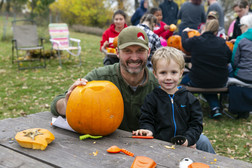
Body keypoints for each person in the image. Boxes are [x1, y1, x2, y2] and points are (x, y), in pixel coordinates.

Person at [51, 26, 159, 132]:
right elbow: (56, 104)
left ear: (148, 52)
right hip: (104, 145)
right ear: (117, 52)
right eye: (127, 51)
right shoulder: (100, 78)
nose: (134, 57)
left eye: (140, 51)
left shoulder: (158, 83)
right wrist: (67, 104)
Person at [133, 47, 215, 154]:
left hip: (185, 141)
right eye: (163, 73)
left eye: (173, 72)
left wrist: (188, 140)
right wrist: (148, 130)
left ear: (181, 73)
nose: (168, 77)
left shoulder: (190, 99)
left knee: (204, 141)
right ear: (155, 73)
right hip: (161, 143)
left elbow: (196, 124)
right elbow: (146, 120)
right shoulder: (151, 99)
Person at [180, 19, 232, 119]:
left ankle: (184, 107)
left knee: (183, 82)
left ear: (204, 28)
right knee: (208, 78)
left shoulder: (196, 41)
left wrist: (185, 32)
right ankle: (215, 107)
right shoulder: (222, 43)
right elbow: (229, 58)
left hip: (198, 79)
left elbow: (185, 45)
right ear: (216, 31)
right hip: (219, 81)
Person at [228, 14, 252, 119]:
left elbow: (234, 61)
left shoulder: (241, 39)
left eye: (241, 25)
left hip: (242, 76)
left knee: (228, 73)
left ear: (246, 26)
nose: (240, 28)